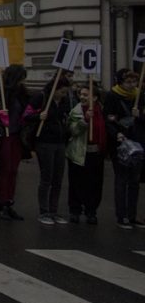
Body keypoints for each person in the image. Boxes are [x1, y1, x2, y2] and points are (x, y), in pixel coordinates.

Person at [26, 73, 72, 225]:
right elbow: (26, 115)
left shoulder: (65, 101)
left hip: (60, 142)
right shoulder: (41, 97)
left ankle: (54, 210)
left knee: (58, 178)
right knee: (47, 177)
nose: (63, 95)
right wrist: (39, 116)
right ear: (55, 89)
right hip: (44, 142)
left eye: (65, 92)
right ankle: (44, 211)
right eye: (62, 91)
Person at [104, 68, 143, 229]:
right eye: (128, 82)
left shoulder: (139, 95)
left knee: (135, 179)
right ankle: (122, 215)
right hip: (120, 142)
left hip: (137, 141)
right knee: (122, 178)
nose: (132, 85)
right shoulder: (113, 95)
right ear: (121, 82)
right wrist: (116, 134)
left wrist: (139, 114)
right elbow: (108, 118)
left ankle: (132, 215)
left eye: (134, 82)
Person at [67, 84, 106, 224]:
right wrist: (85, 121)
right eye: (81, 94)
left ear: (94, 97)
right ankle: (75, 210)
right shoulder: (76, 111)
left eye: (85, 95)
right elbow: (73, 130)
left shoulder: (101, 110)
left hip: (96, 153)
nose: (82, 97)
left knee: (94, 184)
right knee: (77, 182)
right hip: (79, 152)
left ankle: (91, 211)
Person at [0, 65, 30, 220]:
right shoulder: (1, 92)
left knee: (14, 170)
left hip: (17, 135)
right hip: (5, 135)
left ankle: (10, 202)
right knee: (6, 169)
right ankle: (2, 203)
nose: (22, 81)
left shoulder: (21, 93)